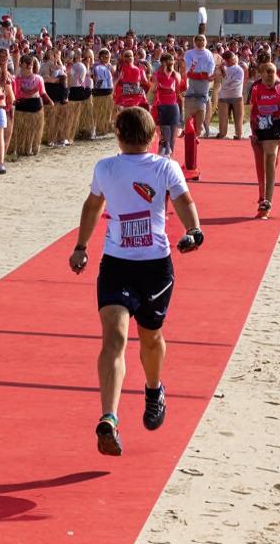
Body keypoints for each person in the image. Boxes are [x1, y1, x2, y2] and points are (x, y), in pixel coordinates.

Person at [69, 107, 203, 456]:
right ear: (153, 134)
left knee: (147, 337)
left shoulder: (162, 168)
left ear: (118, 133)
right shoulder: (109, 168)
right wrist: (193, 230)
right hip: (120, 265)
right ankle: (108, 419)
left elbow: (183, 200)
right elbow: (94, 206)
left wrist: (194, 230)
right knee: (115, 337)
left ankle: (153, 388)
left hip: (151, 269)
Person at [247, 55, 280, 218]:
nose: (269, 74)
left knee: (270, 158)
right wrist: (253, 131)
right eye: (266, 72)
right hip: (259, 129)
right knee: (261, 163)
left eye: (272, 71)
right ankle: (262, 195)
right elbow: (253, 110)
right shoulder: (257, 89)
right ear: (261, 73)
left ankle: (267, 201)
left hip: (273, 129)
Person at [149, 53, 182, 158]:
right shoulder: (157, 75)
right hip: (161, 105)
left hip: (173, 106)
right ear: (163, 62)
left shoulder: (176, 75)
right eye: (169, 60)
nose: (171, 62)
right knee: (165, 132)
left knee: (172, 134)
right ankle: (165, 152)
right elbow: (153, 90)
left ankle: (169, 155)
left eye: (172, 60)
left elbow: (178, 91)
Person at [182, 35, 215, 138]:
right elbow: (188, 70)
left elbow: (210, 70)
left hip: (203, 86)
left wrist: (202, 75)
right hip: (191, 85)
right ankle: (187, 129)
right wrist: (199, 74)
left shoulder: (209, 54)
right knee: (189, 110)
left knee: (202, 108)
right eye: (198, 40)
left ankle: (202, 129)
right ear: (195, 41)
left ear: (206, 42)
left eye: (203, 40)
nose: (201, 42)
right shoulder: (189, 53)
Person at [214, 50, 245, 140]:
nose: (235, 59)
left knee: (238, 118)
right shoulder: (221, 69)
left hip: (236, 95)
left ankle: (238, 134)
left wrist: (226, 82)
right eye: (232, 58)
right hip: (224, 96)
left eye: (234, 57)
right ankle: (222, 134)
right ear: (227, 60)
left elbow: (236, 83)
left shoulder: (239, 69)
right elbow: (216, 78)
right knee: (223, 118)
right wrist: (221, 70)